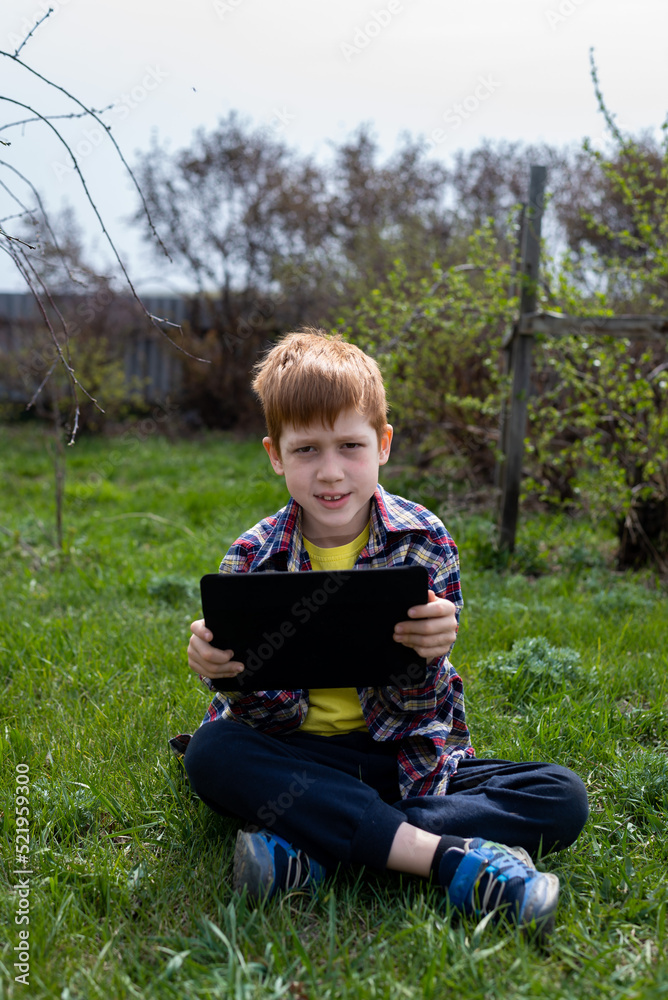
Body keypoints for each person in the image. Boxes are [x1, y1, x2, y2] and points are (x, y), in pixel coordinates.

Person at [181, 328, 588, 936]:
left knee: (560, 795)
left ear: (383, 444)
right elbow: (259, 715)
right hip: (299, 759)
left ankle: (312, 848)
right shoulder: (251, 558)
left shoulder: (424, 540)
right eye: (306, 450)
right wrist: (224, 673)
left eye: (350, 445)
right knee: (213, 753)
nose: (331, 473)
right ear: (275, 455)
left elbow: (420, 704)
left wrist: (435, 649)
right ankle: (448, 859)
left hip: (403, 762)